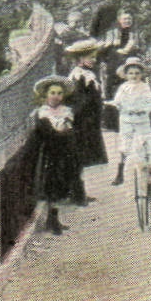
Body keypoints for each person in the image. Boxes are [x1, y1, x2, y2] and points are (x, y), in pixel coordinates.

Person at [29, 77, 83, 234]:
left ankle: (54, 218)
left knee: (61, 185)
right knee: (50, 185)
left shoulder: (66, 111)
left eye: (59, 93)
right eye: (52, 93)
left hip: (64, 153)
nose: (56, 96)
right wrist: (60, 132)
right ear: (46, 94)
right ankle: (52, 221)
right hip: (49, 153)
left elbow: (70, 131)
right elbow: (46, 133)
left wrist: (65, 132)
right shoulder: (42, 113)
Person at [108, 57, 151, 186]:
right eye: (131, 73)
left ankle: (148, 171)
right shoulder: (123, 88)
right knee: (125, 145)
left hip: (141, 120)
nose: (134, 76)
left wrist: (144, 110)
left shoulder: (144, 87)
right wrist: (118, 106)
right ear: (126, 75)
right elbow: (117, 101)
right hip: (127, 119)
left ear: (141, 74)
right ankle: (120, 173)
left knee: (144, 143)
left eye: (137, 73)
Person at [63, 39, 109, 169]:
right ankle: (87, 160)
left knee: (91, 134)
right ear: (81, 59)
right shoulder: (79, 74)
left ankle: (92, 159)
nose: (94, 60)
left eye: (94, 57)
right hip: (84, 113)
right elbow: (80, 97)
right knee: (85, 135)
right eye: (91, 58)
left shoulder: (87, 72)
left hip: (90, 113)